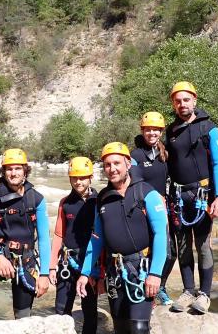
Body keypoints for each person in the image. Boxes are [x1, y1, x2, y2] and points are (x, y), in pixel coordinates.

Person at [76, 142, 169, 333]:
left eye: (117, 163)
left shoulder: (146, 192)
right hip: (115, 272)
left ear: (128, 164)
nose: (112, 169)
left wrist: (155, 273)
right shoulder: (103, 198)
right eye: (107, 165)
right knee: (121, 328)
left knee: (139, 328)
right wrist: (85, 273)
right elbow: (97, 238)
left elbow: (161, 233)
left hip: (141, 271)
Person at [0, 149, 51, 333]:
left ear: (25, 171)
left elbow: (44, 239)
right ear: (3, 172)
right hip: (0, 253)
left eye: (18, 168)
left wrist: (44, 274)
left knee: (23, 320)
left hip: (25, 259)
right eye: (9, 169)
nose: (13, 173)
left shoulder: (36, 199)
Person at [165, 81, 218, 314]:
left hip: (202, 195)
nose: (182, 104)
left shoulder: (210, 129)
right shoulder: (170, 131)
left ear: (195, 100)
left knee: (202, 246)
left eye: (186, 99)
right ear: (173, 103)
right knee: (182, 247)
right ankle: (188, 290)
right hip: (178, 197)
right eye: (177, 101)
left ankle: (204, 295)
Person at [48, 157, 99, 334]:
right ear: (69, 178)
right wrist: (52, 266)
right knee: (61, 309)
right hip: (67, 262)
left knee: (90, 311)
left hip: (90, 262)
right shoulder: (65, 203)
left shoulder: (99, 201)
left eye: (82, 177)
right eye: (74, 178)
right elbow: (59, 235)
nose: (78, 181)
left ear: (91, 177)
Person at [130, 111, 176, 306]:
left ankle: (160, 286)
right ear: (143, 131)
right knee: (147, 251)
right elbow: (132, 182)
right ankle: (145, 286)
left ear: (161, 131)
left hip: (162, 209)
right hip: (142, 208)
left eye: (156, 130)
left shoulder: (164, 154)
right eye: (148, 130)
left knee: (170, 253)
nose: (152, 133)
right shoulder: (135, 155)